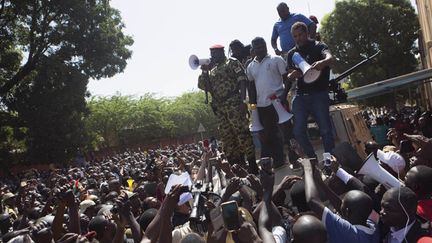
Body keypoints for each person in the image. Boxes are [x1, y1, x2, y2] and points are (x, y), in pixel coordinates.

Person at [197, 44, 258, 174]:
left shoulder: (232, 62)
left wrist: (243, 101)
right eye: (211, 53)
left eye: (215, 53)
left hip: (234, 103)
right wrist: (204, 71)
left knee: (241, 133)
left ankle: (252, 165)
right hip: (220, 108)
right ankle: (237, 166)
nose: (212, 56)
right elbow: (203, 86)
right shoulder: (211, 69)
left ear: (222, 52)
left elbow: (242, 80)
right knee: (227, 137)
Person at [302, 158, 380, 243]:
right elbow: (344, 209)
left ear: (347, 212)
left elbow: (312, 201)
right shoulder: (372, 225)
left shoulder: (348, 233)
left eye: (343, 203)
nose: (340, 203)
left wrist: (307, 169)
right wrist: (321, 183)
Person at [287, 22, 334, 158]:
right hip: (301, 95)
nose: (298, 38)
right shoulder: (292, 53)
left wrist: (322, 63)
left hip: (319, 93)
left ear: (307, 33)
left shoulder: (319, 46)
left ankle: (330, 161)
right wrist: (292, 75)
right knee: (298, 131)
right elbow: (289, 74)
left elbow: (330, 58)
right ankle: (312, 158)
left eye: (300, 34)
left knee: (325, 129)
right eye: (295, 36)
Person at [246, 37, 291, 168]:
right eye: (257, 47)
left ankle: (295, 158)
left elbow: (287, 79)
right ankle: (279, 162)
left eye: (262, 46)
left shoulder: (276, 60)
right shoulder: (250, 67)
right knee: (270, 135)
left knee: (287, 132)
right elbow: (251, 87)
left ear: (266, 46)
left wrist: (283, 96)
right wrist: (253, 106)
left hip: (278, 101)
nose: (260, 49)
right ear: (253, 49)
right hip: (262, 106)